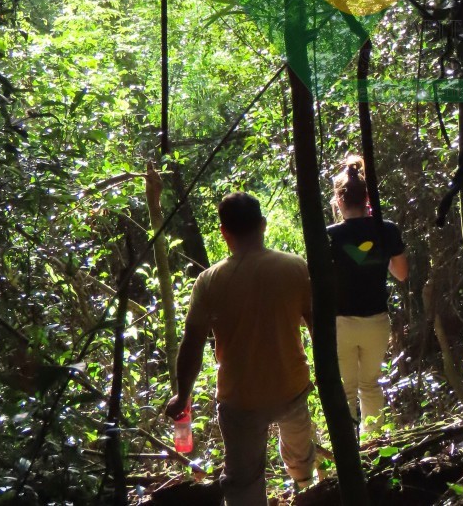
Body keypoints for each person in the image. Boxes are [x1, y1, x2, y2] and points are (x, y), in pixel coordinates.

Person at [166, 192, 315, 505]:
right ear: (262, 224)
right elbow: (318, 327)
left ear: (224, 232)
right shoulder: (294, 267)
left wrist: (183, 394)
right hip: (292, 387)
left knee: (244, 484)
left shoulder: (209, 281)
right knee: (303, 463)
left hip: (241, 400)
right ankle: (308, 492)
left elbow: (192, 343)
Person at [327, 155, 408, 435]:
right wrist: (376, 251)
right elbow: (401, 273)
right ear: (368, 200)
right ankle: (373, 445)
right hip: (376, 320)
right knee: (370, 384)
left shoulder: (329, 236)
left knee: (346, 389)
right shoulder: (386, 230)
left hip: (341, 323)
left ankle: (348, 448)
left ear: (339, 202)